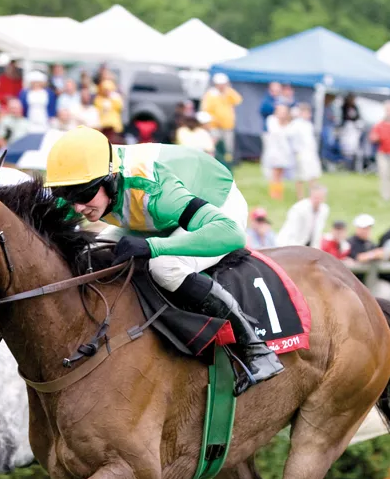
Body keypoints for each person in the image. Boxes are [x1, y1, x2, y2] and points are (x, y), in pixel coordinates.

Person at [44, 125, 283, 391]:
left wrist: (154, 246)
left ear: (110, 178)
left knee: (164, 264)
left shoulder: (155, 190)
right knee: (96, 252)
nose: (76, 207)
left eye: (83, 195)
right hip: (151, 210)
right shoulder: (85, 183)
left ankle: (256, 349)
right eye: (66, 195)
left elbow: (232, 234)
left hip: (216, 205)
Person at [200, 72, 241, 166]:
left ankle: (228, 163)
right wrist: (214, 120)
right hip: (214, 125)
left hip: (227, 125)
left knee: (228, 146)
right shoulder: (211, 94)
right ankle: (212, 162)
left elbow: (238, 100)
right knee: (213, 145)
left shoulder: (228, 93)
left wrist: (229, 91)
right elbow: (206, 109)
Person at [261, 104, 296, 200]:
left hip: (284, 153)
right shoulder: (271, 120)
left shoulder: (289, 124)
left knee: (280, 174)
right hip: (274, 151)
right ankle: (273, 194)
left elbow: (290, 135)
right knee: (275, 173)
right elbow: (275, 132)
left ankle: (279, 194)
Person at [276, 184, 328, 248]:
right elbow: (292, 232)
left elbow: (318, 233)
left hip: (308, 245)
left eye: (320, 198)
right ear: (310, 196)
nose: (318, 200)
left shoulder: (324, 209)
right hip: (288, 244)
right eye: (316, 197)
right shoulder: (299, 209)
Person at [289, 105, 321, 201]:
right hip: (301, 153)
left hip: (311, 153)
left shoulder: (309, 125)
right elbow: (291, 138)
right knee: (301, 176)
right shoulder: (295, 124)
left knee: (313, 175)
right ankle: (301, 197)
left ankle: (312, 196)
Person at [94, 78, 124, 144]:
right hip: (102, 126)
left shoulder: (115, 98)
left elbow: (120, 108)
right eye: (105, 89)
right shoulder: (98, 99)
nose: (106, 91)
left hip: (114, 125)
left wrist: (113, 99)